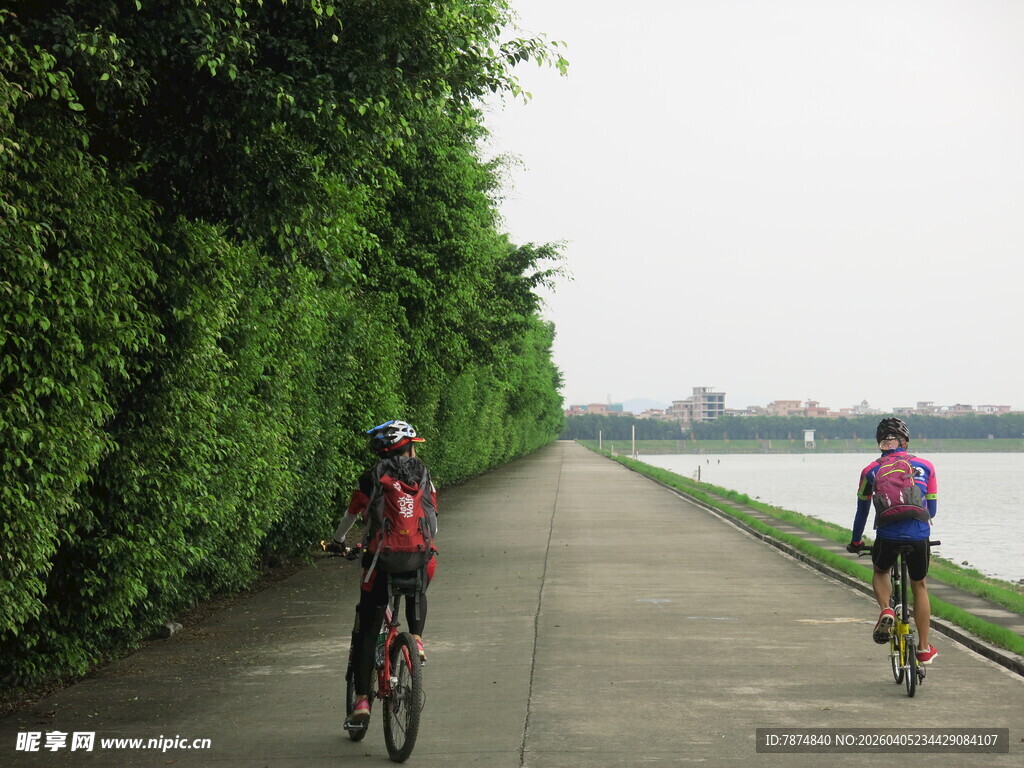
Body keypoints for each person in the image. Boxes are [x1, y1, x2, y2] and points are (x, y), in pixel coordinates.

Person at [328, 420, 438, 726]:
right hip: (419, 559)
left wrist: (337, 543)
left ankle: (362, 701)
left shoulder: (371, 479)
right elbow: (433, 525)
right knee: (419, 587)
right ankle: (415, 640)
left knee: (367, 629)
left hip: (380, 562)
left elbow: (351, 516)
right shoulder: (425, 477)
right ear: (409, 447)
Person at [847, 417, 938, 664]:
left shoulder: (870, 471)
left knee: (880, 570)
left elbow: (862, 511)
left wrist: (856, 541)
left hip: (887, 534)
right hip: (919, 534)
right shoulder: (926, 466)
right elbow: (932, 509)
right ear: (905, 443)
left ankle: (886, 608)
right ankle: (922, 648)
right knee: (919, 585)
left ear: (880, 444)